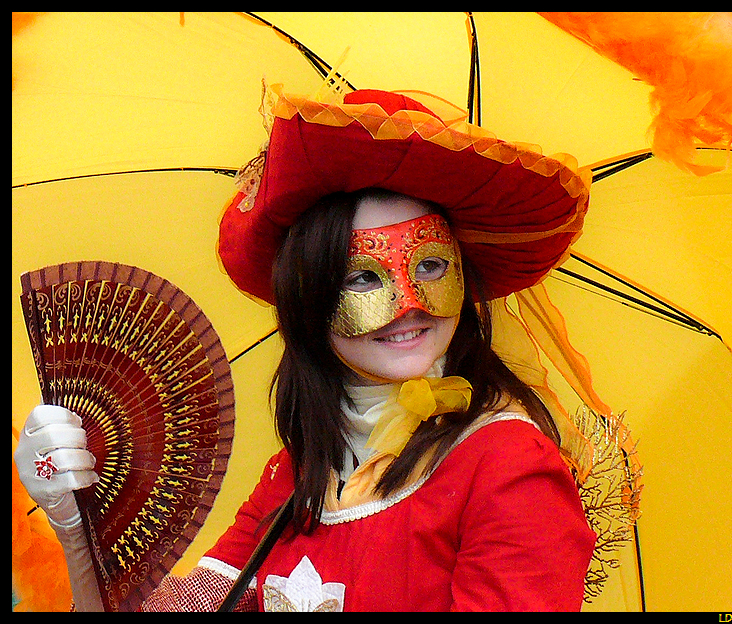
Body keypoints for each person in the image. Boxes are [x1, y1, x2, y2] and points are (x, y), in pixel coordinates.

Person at [14, 84, 597, 611]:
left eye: (431, 264)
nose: (409, 302)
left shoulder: (508, 464)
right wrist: (79, 529)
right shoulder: (293, 477)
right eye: (364, 277)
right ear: (308, 298)